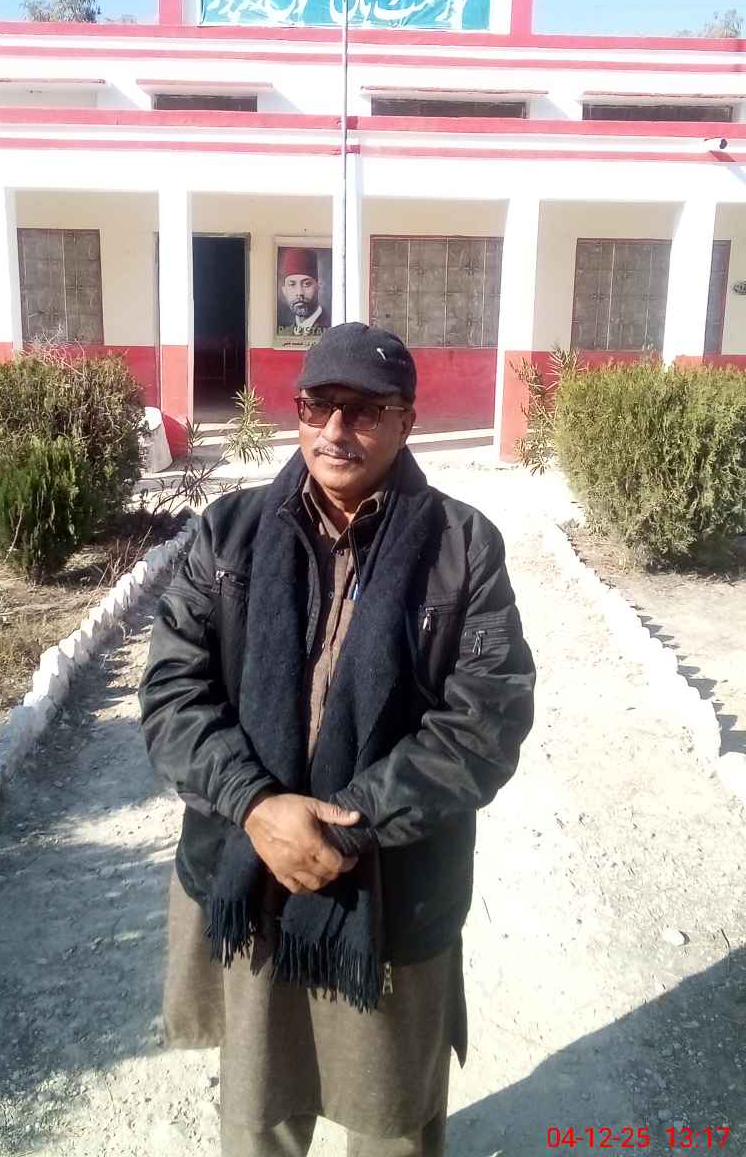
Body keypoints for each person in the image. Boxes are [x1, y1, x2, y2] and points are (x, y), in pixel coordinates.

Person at [139, 322, 535, 1157]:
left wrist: (343, 827)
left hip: (389, 884)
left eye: (365, 410)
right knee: (259, 1110)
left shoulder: (462, 548)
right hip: (251, 866)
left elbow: (486, 722)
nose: (335, 430)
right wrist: (257, 807)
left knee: (392, 1115)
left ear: (406, 421)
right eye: (317, 405)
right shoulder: (228, 534)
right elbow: (173, 693)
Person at [277, 246, 331, 334]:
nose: (299, 293)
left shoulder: (331, 329)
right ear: (284, 290)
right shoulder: (285, 333)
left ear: (318, 286)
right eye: (292, 285)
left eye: (307, 284)